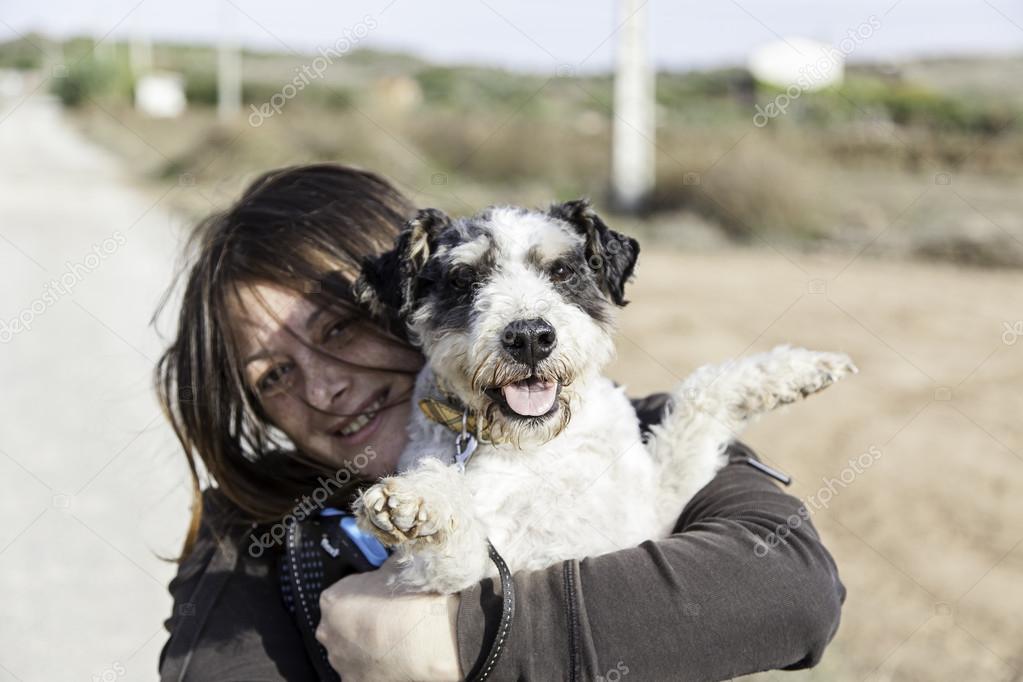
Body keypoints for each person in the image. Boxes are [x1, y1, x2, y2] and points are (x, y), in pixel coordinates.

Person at [156, 163, 845, 681]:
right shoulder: (249, 541)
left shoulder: (640, 425)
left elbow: (791, 590)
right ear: (415, 292)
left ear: (390, 309)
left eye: (337, 330)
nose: (327, 386)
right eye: (272, 375)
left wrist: (459, 637)